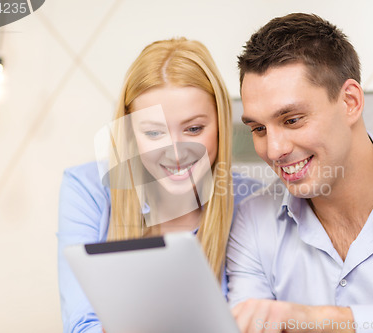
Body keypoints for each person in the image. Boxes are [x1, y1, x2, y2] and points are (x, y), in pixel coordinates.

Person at [227, 13, 373, 333]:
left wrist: (331, 322)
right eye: (258, 128)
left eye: (292, 119)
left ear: (350, 101)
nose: (273, 150)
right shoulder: (254, 219)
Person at [57, 38, 261, 333]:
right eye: (154, 132)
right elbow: (80, 324)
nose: (176, 154)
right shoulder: (88, 189)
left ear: (220, 123)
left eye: (194, 129)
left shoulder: (252, 200)